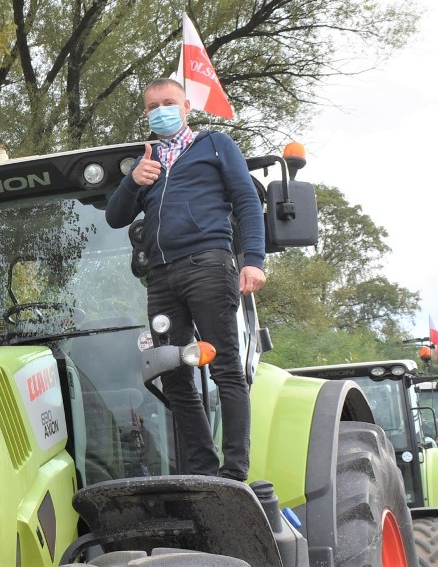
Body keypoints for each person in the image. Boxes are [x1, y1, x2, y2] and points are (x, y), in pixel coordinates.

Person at [105, 78, 266, 481]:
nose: (161, 109)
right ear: (146, 113)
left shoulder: (215, 145)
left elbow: (246, 199)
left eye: (169, 102)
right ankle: (202, 468)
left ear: (186, 107)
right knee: (172, 372)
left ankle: (234, 471)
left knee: (225, 367)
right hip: (160, 276)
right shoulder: (148, 162)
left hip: (207, 265)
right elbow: (114, 216)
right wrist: (132, 180)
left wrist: (253, 260)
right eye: (153, 105)